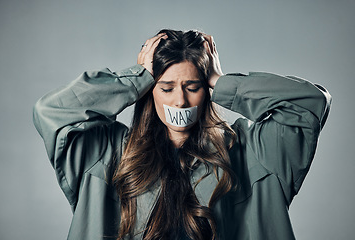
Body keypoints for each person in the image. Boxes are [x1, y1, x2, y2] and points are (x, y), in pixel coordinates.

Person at [33, 29, 331, 240]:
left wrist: (221, 81)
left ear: (206, 91)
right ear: (150, 92)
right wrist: (135, 79)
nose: (180, 101)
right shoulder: (107, 152)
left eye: (193, 87)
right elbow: (53, 112)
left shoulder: (250, 151)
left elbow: (308, 103)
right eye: (166, 88)